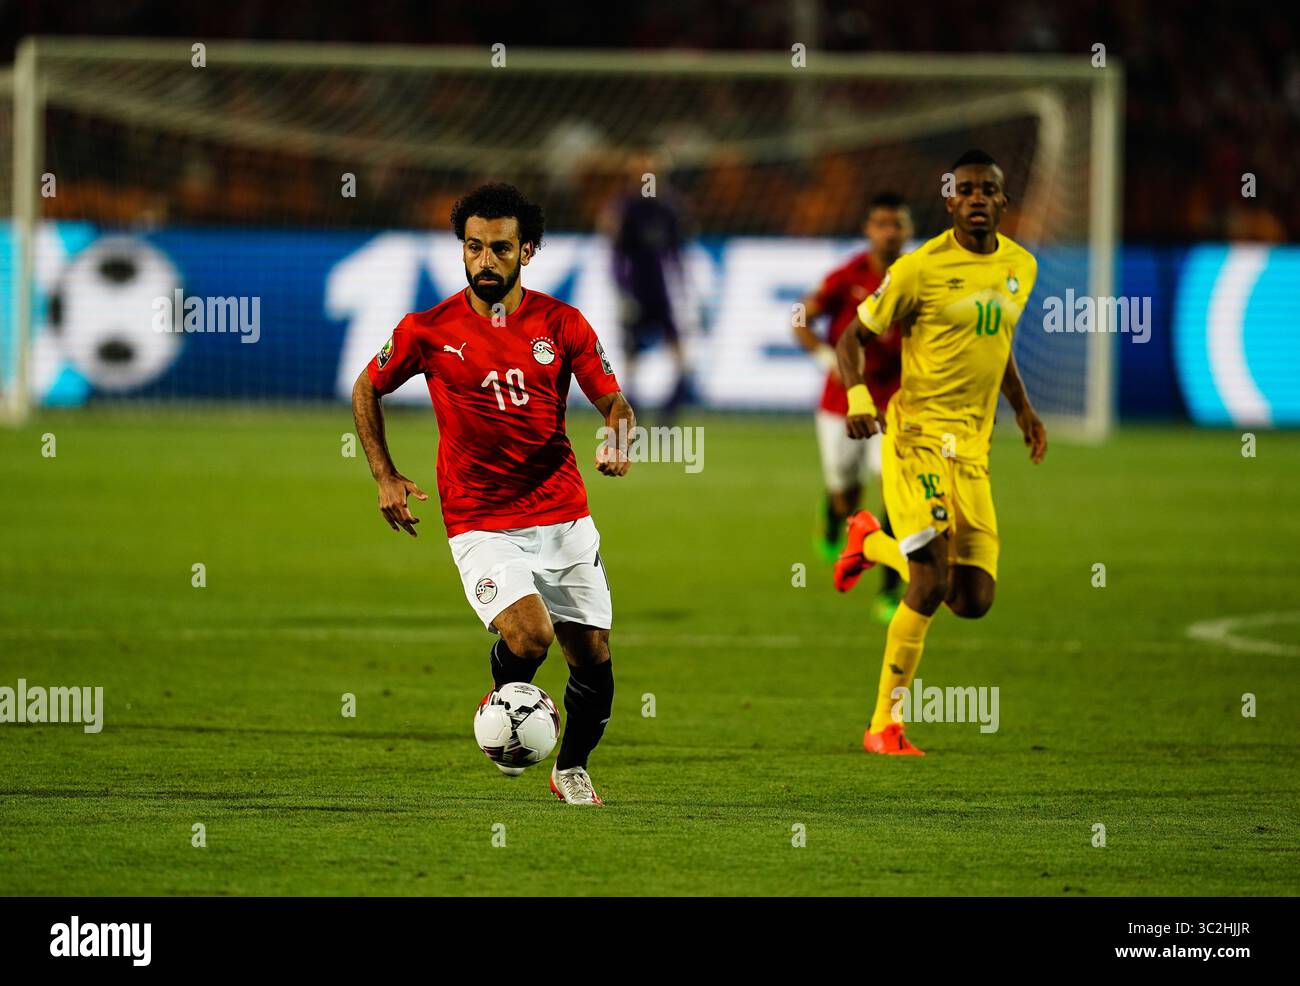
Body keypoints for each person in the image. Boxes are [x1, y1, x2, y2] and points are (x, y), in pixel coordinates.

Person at [351, 183, 636, 803]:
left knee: (592, 657)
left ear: (526, 252)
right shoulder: (427, 330)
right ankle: (505, 704)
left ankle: (571, 767)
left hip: (562, 512)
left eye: (500, 249)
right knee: (531, 636)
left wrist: (617, 440)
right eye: (473, 247)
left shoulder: (563, 325)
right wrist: (384, 474)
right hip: (479, 519)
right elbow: (366, 387)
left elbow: (614, 402)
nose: (484, 261)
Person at [833, 151, 1048, 755]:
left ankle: (869, 542)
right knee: (929, 582)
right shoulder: (919, 269)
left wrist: (1024, 409)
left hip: (972, 451)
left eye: (989, 189)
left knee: (974, 600)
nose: (978, 197)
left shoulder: (1020, 267)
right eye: (967, 190)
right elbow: (853, 335)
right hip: (917, 438)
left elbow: (995, 342)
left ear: (1002, 202)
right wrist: (857, 396)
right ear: (950, 202)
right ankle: (883, 726)